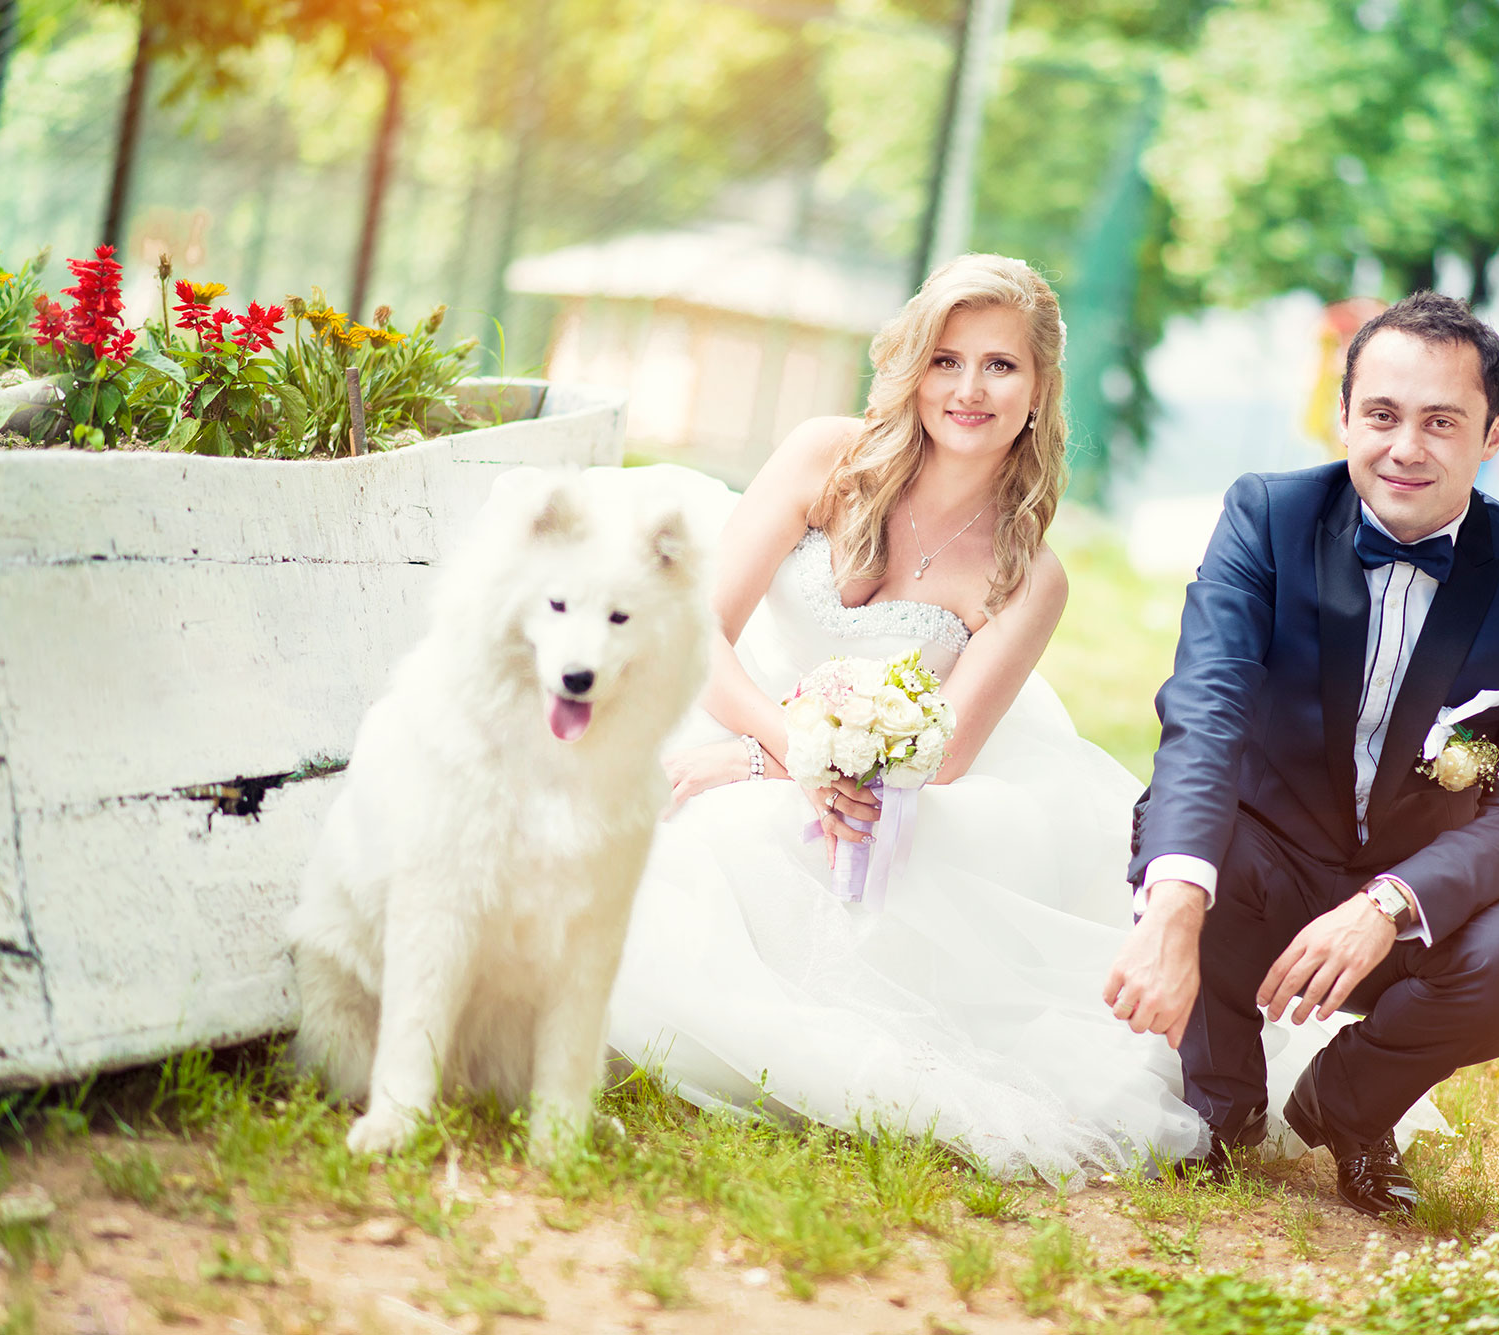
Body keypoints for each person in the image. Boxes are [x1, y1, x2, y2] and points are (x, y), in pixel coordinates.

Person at [606, 254, 1443, 1188]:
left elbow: (949, 753)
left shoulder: (1028, 573)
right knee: (645, 821)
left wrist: (773, 773)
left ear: (1040, 388)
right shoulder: (823, 457)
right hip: (733, 698)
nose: (969, 389)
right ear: (913, 367)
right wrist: (776, 746)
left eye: (1001, 366)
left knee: (766, 840)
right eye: (947, 360)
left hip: (894, 777)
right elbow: (698, 632)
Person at [1106, 291, 1499, 1216]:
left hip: (1406, 903)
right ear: (1343, 416)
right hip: (1265, 868)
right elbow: (1205, 714)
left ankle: (1349, 1104)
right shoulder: (1267, 519)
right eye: (1382, 414)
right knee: (1186, 850)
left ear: (1493, 435)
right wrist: (1170, 908)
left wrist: (1387, 902)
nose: (1406, 446)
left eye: (1441, 421)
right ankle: (1219, 1107)